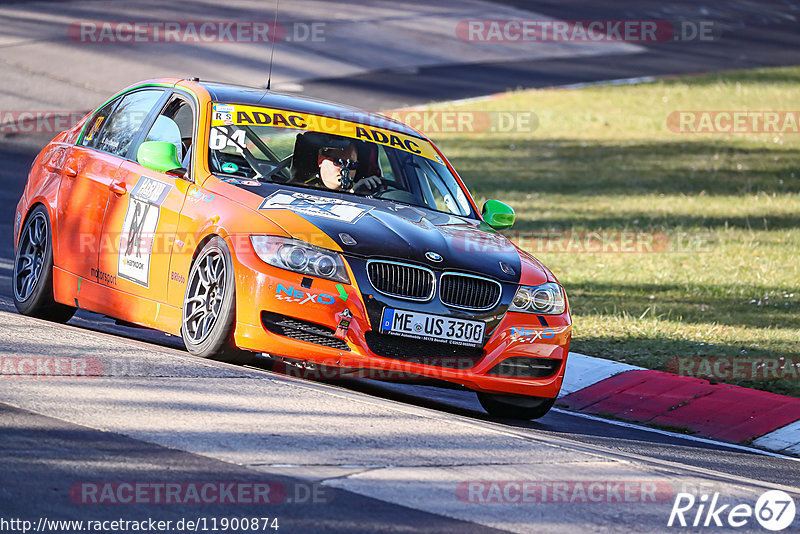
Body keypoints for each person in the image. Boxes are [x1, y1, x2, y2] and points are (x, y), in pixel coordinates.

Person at [314, 143, 382, 194]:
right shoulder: (305, 189)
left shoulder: (361, 190)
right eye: (338, 162)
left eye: (352, 164)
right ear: (320, 161)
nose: (345, 169)